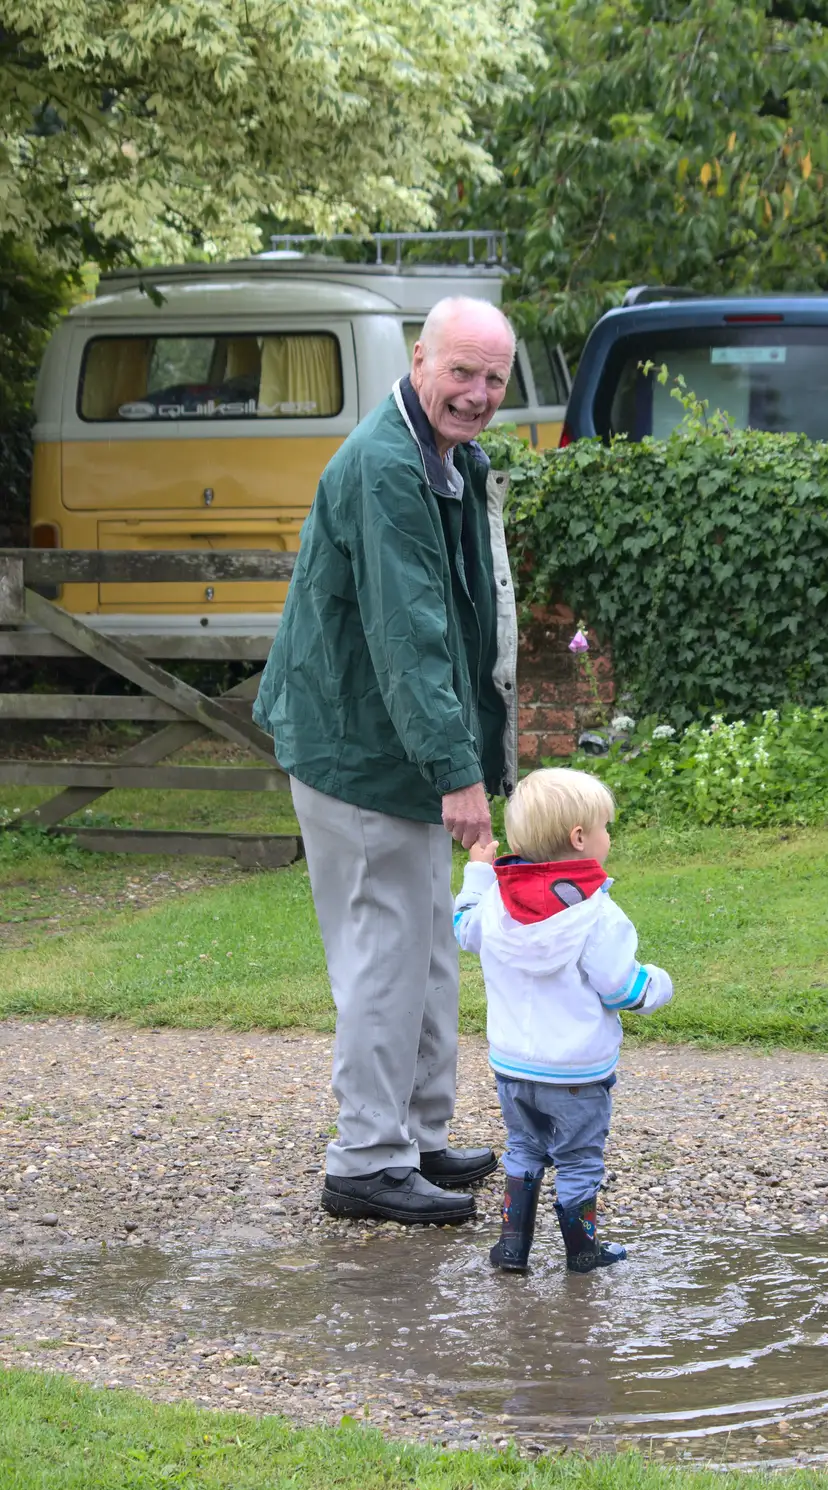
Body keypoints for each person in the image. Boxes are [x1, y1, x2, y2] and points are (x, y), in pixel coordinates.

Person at [254, 296, 519, 1226]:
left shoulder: (447, 458)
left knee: (429, 950)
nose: (478, 393)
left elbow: (466, 627)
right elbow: (409, 638)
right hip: (357, 749)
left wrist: (479, 762)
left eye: (494, 377)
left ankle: (418, 1136)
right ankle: (366, 1158)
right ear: (420, 360)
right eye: (462, 372)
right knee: (384, 956)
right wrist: (460, 774)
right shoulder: (382, 467)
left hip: (399, 742)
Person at [452, 767, 674, 1273]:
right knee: (577, 1159)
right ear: (579, 838)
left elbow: (462, 927)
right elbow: (621, 988)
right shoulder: (597, 915)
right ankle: (582, 1248)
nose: (607, 835)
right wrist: (657, 984)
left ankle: (513, 1247)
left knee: (524, 1149)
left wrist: (478, 874)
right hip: (576, 1074)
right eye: (603, 827)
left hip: (513, 1066)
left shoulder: (495, 902)